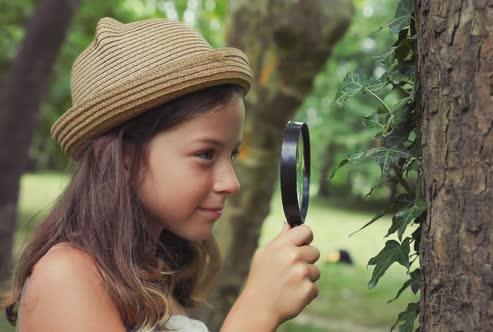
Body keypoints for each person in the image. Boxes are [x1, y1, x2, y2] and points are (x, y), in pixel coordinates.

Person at [1, 17, 320, 332]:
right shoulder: (66, 277)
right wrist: (258, 310)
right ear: (125, 158)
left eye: (231, 155)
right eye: (206, 154)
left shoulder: (153, 273)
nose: (231, 183)